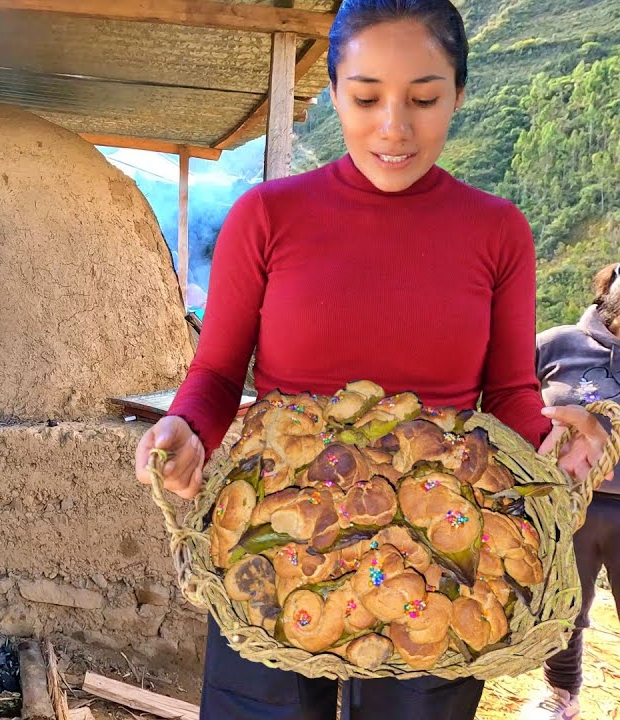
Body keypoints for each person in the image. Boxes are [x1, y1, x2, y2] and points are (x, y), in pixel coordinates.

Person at [132, 1, 614, 719]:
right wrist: (187, 428)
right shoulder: (267, 216)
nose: (394, 126)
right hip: (279, 532)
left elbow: (510, 392)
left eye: (424, 98)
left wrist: (553, 436)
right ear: (332, 93)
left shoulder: (497, 232)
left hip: (438, 548)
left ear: (458, 93)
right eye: (366, 98)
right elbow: (217, 374)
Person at [522, 262, 620, 720]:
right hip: (566, 502)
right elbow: (517, 400)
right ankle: (561, 694)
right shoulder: (556, 343)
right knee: (563, 604)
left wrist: (599, 423)